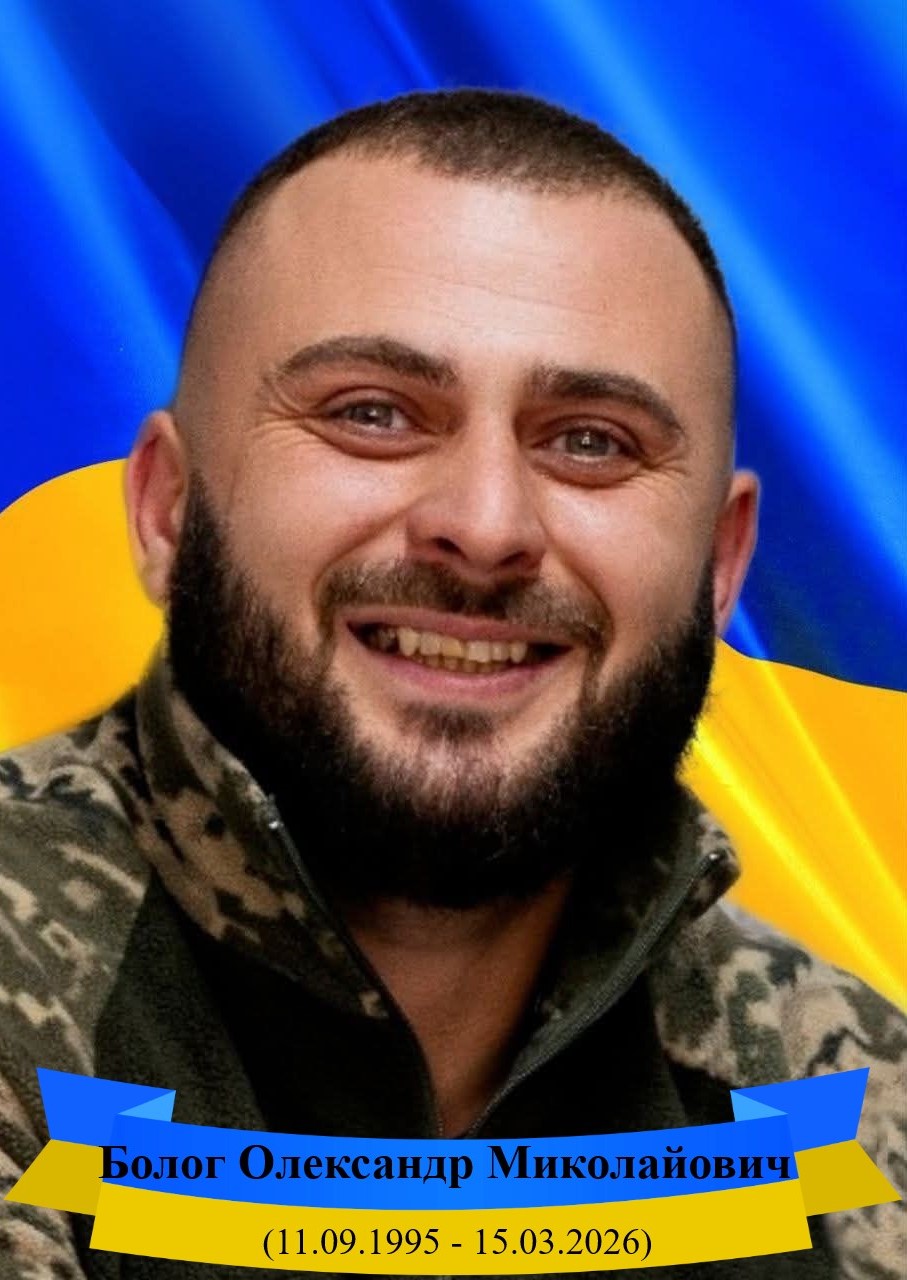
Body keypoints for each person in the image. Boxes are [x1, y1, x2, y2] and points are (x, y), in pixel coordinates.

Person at [0, 90, 903, 1280]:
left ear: (719, 565)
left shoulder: (855, 1100)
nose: (484, 526)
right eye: (371, 413)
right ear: (167, 510)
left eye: (591, 440)